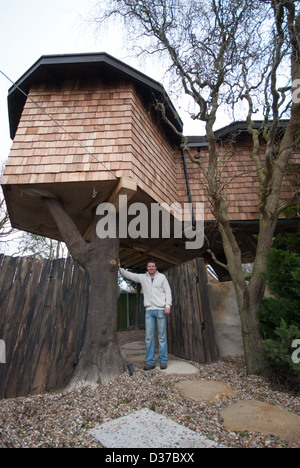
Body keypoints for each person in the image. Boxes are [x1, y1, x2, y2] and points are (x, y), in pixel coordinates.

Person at [119, 259, 172, 370]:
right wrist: (120, 269)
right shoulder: (143, 277)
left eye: (153, 266)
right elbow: (130, 275)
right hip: (149, 311)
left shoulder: (162, 277)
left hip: (161, 310)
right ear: (147, 268)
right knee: (149, 337)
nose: (151, 268)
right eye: (149, 266)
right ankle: (150, 362)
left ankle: (163, 361)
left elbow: (168, 291)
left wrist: (168, 305)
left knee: (162, 337)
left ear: (156, 267)